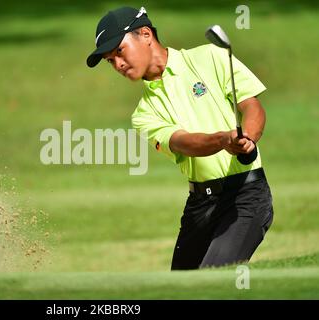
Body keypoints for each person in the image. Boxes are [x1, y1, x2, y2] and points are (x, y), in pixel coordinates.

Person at [86, 6, 274, 270]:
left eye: (119, 51)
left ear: (145, 34)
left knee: (212, 280)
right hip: (200, 204)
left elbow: (252, 107)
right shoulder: (143, 114)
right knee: (181, 290)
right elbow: (184, 143)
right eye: (110, 60)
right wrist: (223, 140)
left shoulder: (210, 56)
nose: (117, 64)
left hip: (245, 197)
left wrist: (248, 139)